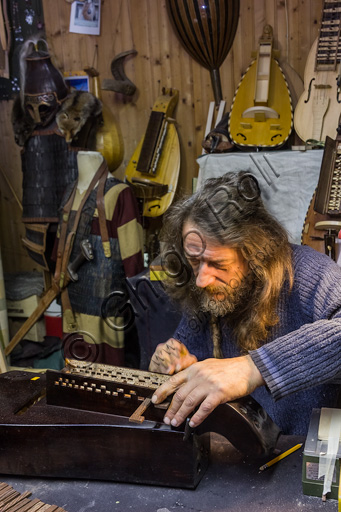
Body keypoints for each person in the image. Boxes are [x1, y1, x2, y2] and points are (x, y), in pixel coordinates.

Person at [149, 171, 341, 435]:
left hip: (305, 464)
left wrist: (253, 368)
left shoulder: (310, 273)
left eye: (218, 264)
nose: (202, 279)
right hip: (238, 460)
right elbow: (187, 362)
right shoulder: (210, 292)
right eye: (195, 261)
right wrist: (171, 368)